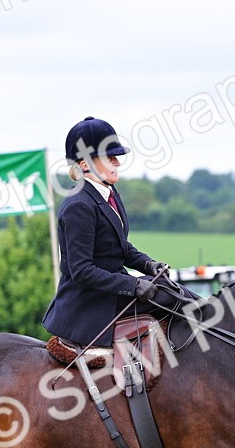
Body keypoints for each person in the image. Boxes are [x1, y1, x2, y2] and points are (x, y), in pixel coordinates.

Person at [43, 116, 195, 347]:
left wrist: (148, 265)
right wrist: (133, 285)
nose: (117, 162)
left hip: (111, 291)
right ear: (84, 165)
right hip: (89, 303)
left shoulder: (110, 194)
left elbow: (120, 247)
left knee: (171, 288)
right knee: (169, 295)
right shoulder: (78, 205)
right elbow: (82, 270)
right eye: (110, 157)